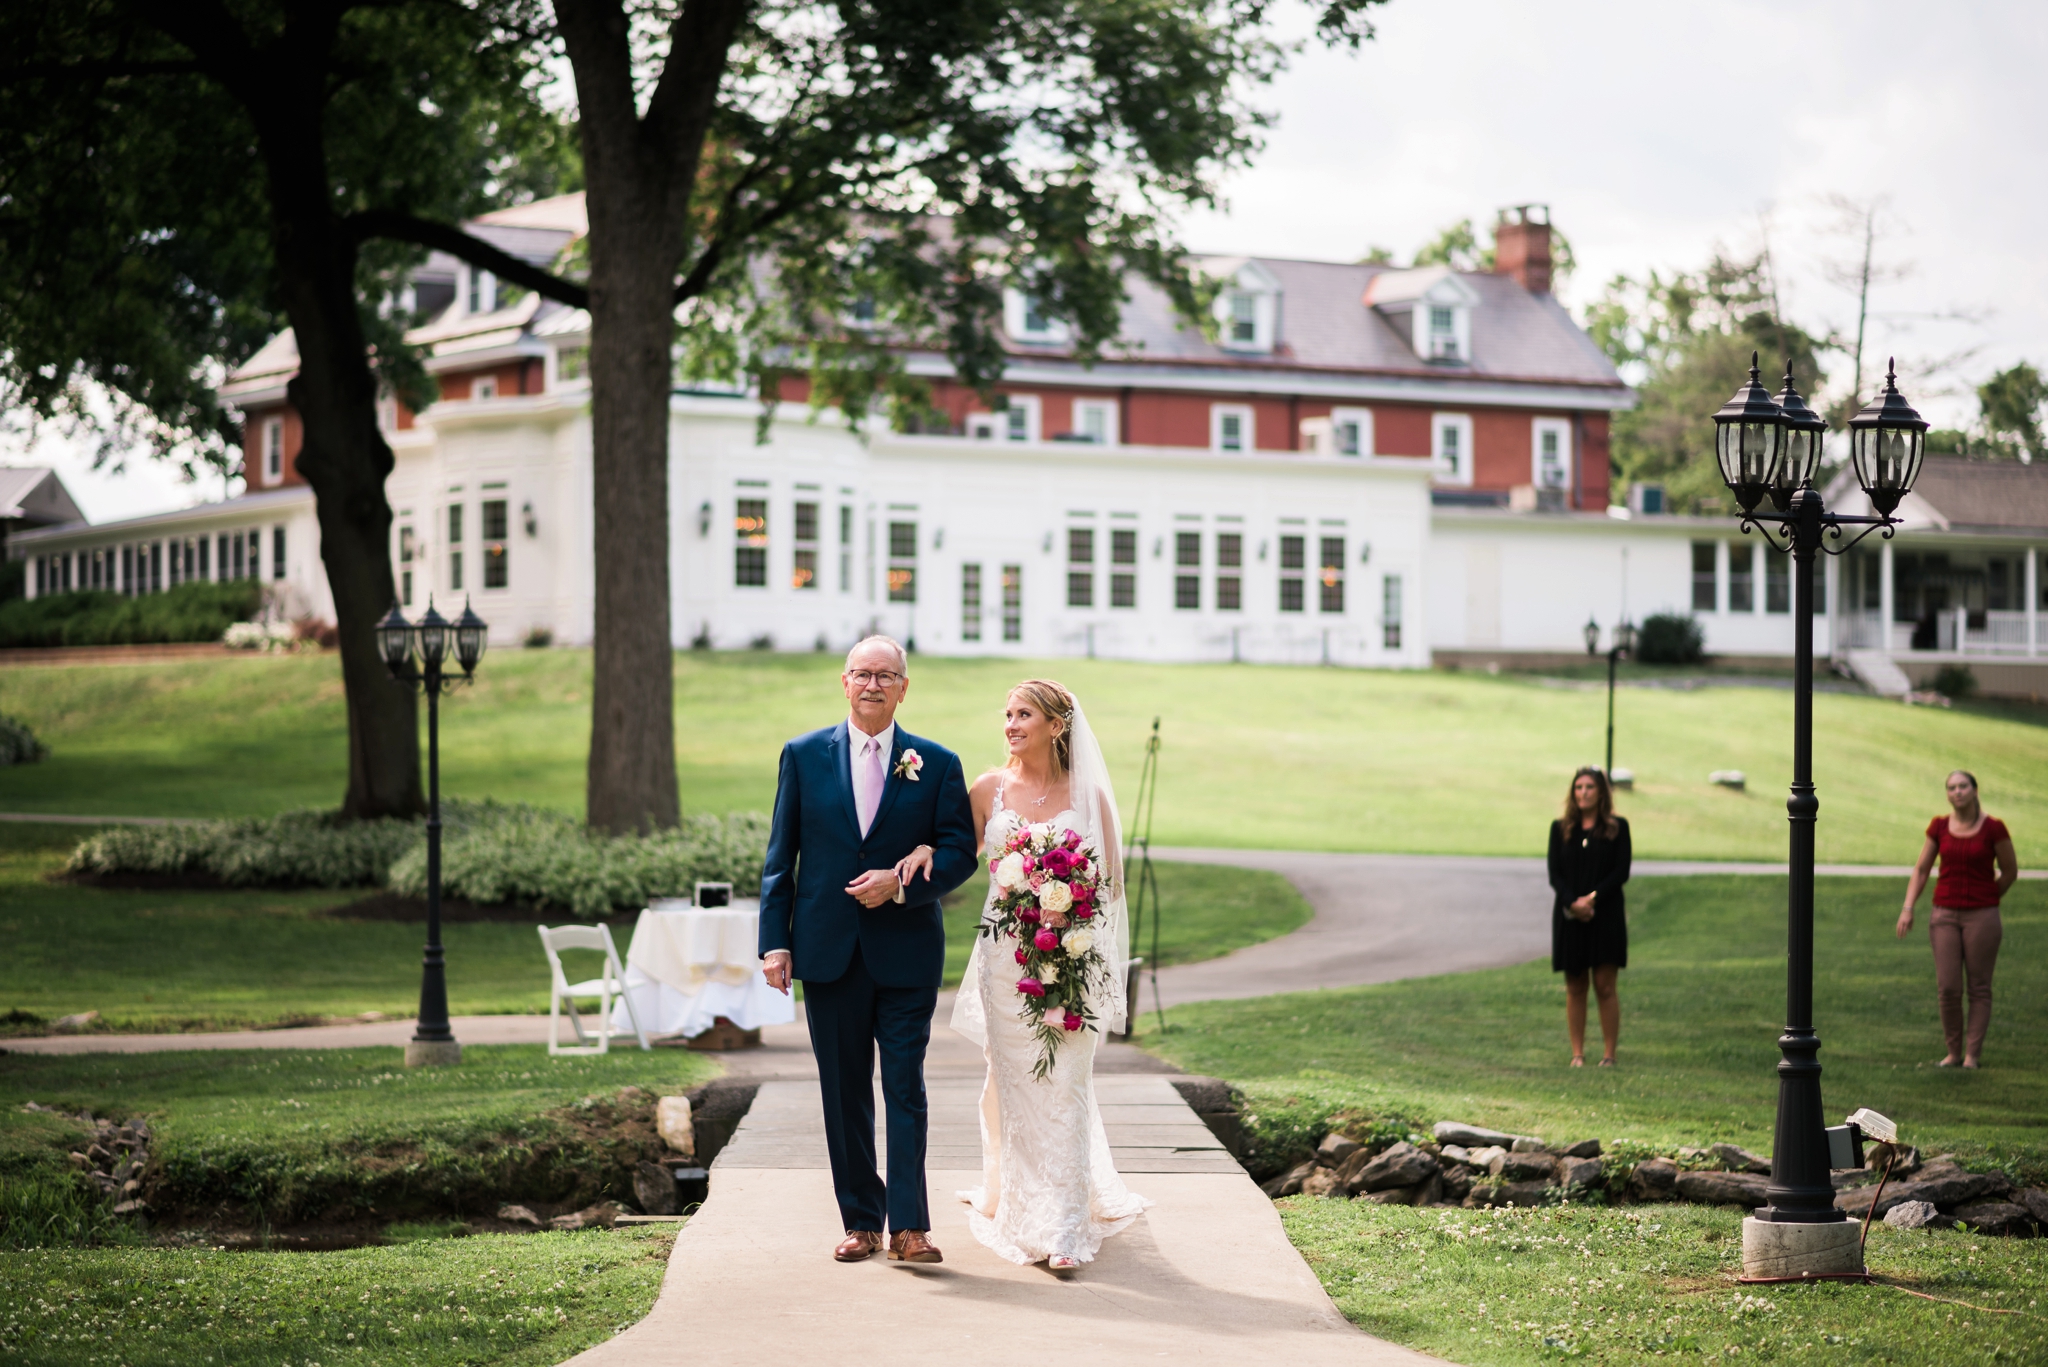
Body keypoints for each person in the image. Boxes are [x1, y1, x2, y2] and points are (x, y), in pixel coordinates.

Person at [898, 680, 1148, 1273]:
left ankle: (1061, 1222)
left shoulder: (1090, 795)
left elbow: (1111, 883)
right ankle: (1010, 1196)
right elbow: (957, 849)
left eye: (1023, 714)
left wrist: (1070, 924)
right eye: (1007, 714)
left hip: (1074, 954)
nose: (1010, 724)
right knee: (1011, 1081)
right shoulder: (988, 788)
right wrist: (922, 854)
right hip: (1006, 962)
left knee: (1065, 1081)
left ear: (1056, 725)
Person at [757, 636, 978, 1264]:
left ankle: (910, 1227)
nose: (872, 684)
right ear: (844, 682)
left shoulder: (935, 762)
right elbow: (781, 860)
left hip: (906, 954)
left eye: (885, 675)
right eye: (861, 674)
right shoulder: (802, 756)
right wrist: (775, 942)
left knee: (904, 1088)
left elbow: (961, 850)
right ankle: (861, 1220)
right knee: (843, 1090)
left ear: (904, 687)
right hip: (828, 952)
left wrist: (903, 884)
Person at [1898, 770, 2018, 1069]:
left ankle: (1971, 1057)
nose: (1957, 792)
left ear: (1975, 790)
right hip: (1944, 916)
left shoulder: (1994, 829)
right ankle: (1953, 1052)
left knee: (1979, 986)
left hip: (1982, 916)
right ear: (1947, 794)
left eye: (1963, 786)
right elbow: (1922, 869)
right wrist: (1908, 907)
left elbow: (2010, 871)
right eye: (1951, 787)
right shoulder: (1939, 826)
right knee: (1948, 987)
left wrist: (1989, 898)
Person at [1547, 766, 1631, 1068]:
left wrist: (1592, 899)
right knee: (1575, 984)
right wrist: (1573, 903)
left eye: (1589, 787)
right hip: (1570, 917)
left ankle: (1609, 1055)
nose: (1583, 792)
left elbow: (1621, 872)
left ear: (1601, 793)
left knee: (1605, 985)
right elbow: (1554, 875)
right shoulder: (1560, 829)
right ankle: (1578, 1054)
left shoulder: (1617, 828)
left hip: (1605, 915)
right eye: (1578, 787)